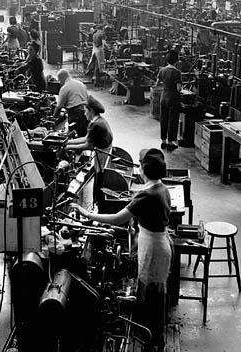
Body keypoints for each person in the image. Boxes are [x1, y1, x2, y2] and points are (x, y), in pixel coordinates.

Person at [71, 148, 172, 352]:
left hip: (153, 248)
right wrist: (135, 230)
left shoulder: (147, 194)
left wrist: (86, 214)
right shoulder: (161, 188)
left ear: (144, 168)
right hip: (158, 243)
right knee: (155, 292)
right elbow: (146, 216)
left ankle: (154, 342)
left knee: (152, 295)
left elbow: (117, 218)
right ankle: (153, 336)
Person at [65, 95, 113, 211]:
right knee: (98, 182)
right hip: (104, 154)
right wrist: (67, 142)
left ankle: (98, 210)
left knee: (98, 186)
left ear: (91, 111)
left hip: (102, 157)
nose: (84, 113)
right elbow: (86, 138)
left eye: (86, 111)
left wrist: (66, 147)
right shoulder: (99, 121)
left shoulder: (95, 125)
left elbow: (88, 145)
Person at [156, 50, 182, 151]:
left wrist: (166, 84)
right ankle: (170, 142)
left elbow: (157, 83)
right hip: (173, 98)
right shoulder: (177, 72)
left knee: (163, 119)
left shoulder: (162, 70)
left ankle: (163, 141)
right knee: (172, 120)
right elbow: (179, 89)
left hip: (164, 96)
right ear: (176, 61)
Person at [53, 69, 88, 137]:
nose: (60, 83)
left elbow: (58, 107)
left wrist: (53, 118)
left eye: (59, 81)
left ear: (61, 78)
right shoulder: (80, 84)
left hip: (75, 114)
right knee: (85, 135)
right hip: (87, 112)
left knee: (75, 135)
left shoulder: (64, 88)